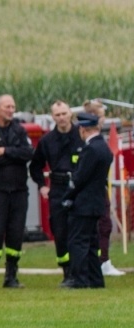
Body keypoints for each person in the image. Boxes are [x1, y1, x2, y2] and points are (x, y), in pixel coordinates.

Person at [0, 94, 35, 289]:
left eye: (13, 106)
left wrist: (5, 151)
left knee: (15, 233)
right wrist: (13, 153)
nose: (11, 110)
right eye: (7, 107)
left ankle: (11, 276)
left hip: (19, 191)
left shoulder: (19, 130)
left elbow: (28, 153)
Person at [29, 101, 83, 286]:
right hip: (58, 189)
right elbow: (35, 166)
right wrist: (42, 186)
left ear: (70, 114)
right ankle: (67, 272)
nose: (61, 118)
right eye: (57, 115)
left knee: (81, 231)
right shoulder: (47, 141)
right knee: (60, 232)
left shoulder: (81, 135)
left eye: (64, 113)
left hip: (79, 188)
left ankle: (83, 271)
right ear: (52, 117)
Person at [61, 112, 112, 289]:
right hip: (96, 202)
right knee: (91, 243)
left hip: (84, 204)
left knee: (78, 242)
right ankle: (96, 280)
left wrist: (67, 197)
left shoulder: (91, 149)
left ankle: (80, 280)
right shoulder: (103, 147)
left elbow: (80, 178)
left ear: (82, 129)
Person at [83, 99, 125, 276]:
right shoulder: (87, 139)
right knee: (100, 225)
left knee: (104, 225)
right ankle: (100, 262)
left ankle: (103, 260)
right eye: (101, 116)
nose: (103, 120)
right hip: (92, 191)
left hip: (100, 188)